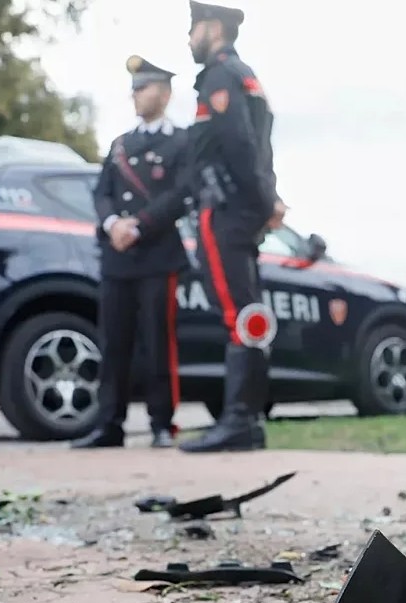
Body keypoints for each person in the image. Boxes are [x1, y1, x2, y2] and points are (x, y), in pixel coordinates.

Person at [177, 0, 286, 453]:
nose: (189, 39)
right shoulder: (246, 76)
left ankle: (239, 420)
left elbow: (240, 145)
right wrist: (268, 199)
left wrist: (265, 200)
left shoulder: (220, 76)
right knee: (249, 314)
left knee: (236, 315)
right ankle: (248, 421)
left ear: (213, 28)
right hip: (243, 210)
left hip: (224, 212)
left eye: (193, 29)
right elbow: (261, 149)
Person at [70, 55, 190, 450]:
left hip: (156, 254)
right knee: (113, 343)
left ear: (165, 93)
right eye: (134, 89)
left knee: (158, 342)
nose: (136, 95)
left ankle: (162, 424)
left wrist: (139, 225)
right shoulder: (120, 144)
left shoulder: (181, 142)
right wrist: (112, 225)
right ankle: (109, 424)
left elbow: (180, 194)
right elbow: (102, 193)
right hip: (117, 256)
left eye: (143, 88)